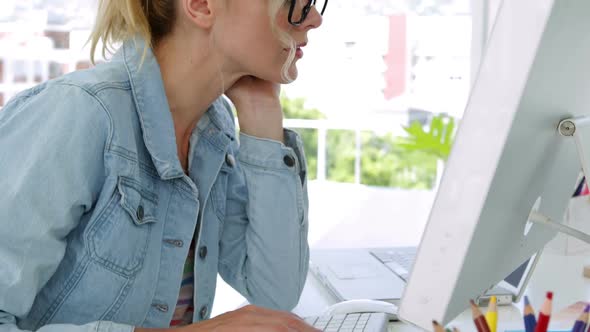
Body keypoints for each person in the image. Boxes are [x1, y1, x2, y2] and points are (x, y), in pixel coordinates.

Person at [0, 0, 326, 331]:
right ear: (200, 5)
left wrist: (263, 113)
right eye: (292, 3)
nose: (314, 19)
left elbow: (275, 292)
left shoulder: (214, 129)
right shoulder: (77, 114)